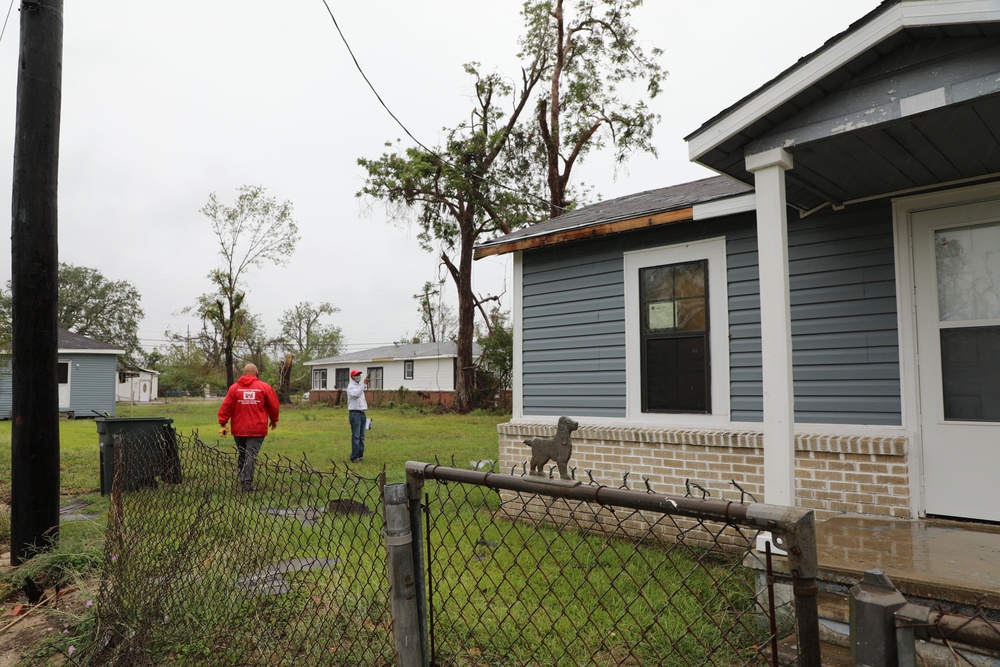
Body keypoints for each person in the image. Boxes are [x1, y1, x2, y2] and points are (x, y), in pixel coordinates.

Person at [218, 363, 280, 492]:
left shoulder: (234, 389)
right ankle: (246, 484)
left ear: (243, 373)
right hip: (257, 429)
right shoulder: (264, 387)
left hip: (239, 429)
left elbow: (226, 406)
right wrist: (274, 420)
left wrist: (223, 423)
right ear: (256, 372)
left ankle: (243, 480)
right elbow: (274, 406)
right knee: (250, 455)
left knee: (242, 455)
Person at [346, 369, 368, 462]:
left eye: (359, 374)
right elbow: (356, 395)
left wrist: (364, 384)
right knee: (356, 436)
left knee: (362, 436)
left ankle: (360, 455)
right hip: (355, 413)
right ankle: (354, 457)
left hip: (362, 413)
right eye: (356, 375)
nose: (358, 376)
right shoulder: (351, 386)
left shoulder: (359, 386)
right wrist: (363, 384)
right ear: (352, 377)